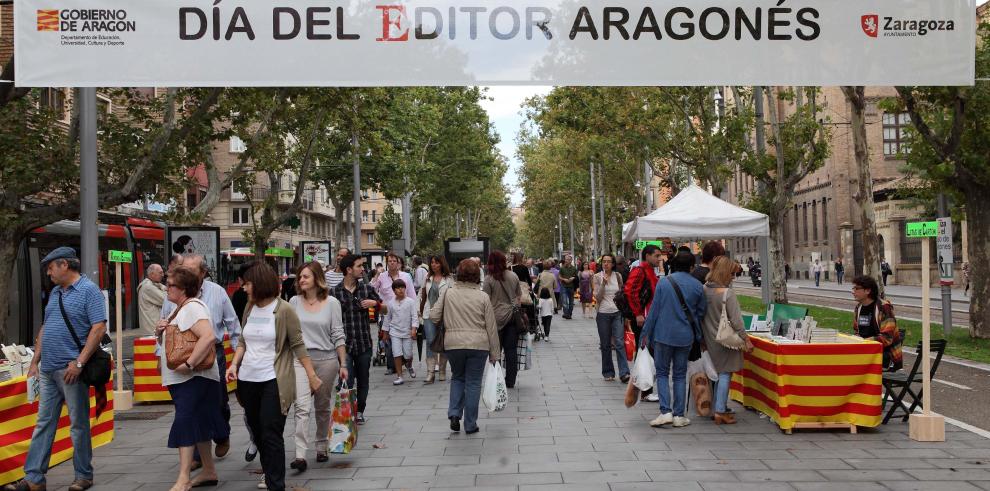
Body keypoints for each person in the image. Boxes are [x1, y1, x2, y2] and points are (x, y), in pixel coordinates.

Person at [4, 248, 106, 491]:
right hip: (49, 370)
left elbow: (99, 328)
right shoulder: (56, 293)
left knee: (78, 425)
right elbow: (46, 327)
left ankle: (83, 475)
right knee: (44, 423)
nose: (48, 272)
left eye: (50, 267)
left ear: (64, 265)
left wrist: (79, 363)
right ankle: (34, 479)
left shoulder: (88, 291)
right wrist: (34, 362)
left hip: (71, 369)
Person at [226, 261, 322, 491]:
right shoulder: (249, 307)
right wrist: (234, 364)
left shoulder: (284, 310)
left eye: (247, 283)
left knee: (271, 433)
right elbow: (242, 340)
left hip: (274, 380)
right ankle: (270, 474)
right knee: (257, 433)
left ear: (258, 284)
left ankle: (275, 484)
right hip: (248, 380)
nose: (243, 288)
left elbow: (298, 344)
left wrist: (311, 375)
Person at [161, 254, 240, 468]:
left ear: (203, 273)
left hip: (211, 354)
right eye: (182, 268)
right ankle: (197, 457)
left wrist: (238, 358)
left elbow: (231, 328)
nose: (184, 273)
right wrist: (161, 348)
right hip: (182, 353)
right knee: (190, 407)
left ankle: (222, 434)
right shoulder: (172, 294)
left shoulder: (216, 293)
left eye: (191, 270)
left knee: (218, 401)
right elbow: (167, 324)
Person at [156, 266, 224, 491]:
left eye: (171, 284)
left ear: (184, 288)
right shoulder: (180, 309)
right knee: (200, 421)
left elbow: (208, 336)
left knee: (184, 421)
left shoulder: (192, 308)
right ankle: (208, 470)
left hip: (193, 378)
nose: (167, 287)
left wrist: (189, 363)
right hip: (187, 379)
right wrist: (160, 332)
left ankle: (184, 478)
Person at [289, 262, 349, 469]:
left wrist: (343, 364)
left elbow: (338, 334)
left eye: (305, 276)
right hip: (300, 360)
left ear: (316, 278)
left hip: (326, 360)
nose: (301, 280)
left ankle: (321, 444)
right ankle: (300, 455)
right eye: (300, 277)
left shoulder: (332, 302)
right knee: (301, 407)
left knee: (322, 406)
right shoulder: (293, 302)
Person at [431, 259, 500, 434]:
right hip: (478, 345)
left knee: (458, 377)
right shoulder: (483, 296)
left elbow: (433, 316)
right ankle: (470, 424)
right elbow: (491, 327)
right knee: (474, 383)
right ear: (477, 275)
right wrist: (495, 353)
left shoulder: (448, 292)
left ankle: (454, 413)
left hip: (453, 344)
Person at [641, 250, 707, 429]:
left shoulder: (664, 283)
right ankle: (679, 415)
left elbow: (654, 311)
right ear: (692, 267)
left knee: (662, 373)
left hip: (663, 335)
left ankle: (665, 412)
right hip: (685, 336)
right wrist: (699, 336)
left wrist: (645, 333)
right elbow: (700, 313)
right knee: (679, 375)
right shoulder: (697, 285)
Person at [330, 254, 384, 425]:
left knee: (363, 379)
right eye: (359, 266)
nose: (363, 269)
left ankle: (360, 411)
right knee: (346, 379)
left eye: (363, 266)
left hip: (363, 342)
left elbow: (386, 310)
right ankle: (347, 412)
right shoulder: (334, 292)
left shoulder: (367, 289)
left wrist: (375, 304)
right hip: (343, 345)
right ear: (348, 270)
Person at [701, 257, 754, 425]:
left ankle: (715, 406)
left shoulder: (703, 290)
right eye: (732, 273)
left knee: (714, 374)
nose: (734, 277)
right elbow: (737, 321)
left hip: (707, 338)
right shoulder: (727, 293)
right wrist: (746, 339)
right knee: (725, 373)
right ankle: (720, 411)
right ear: (724, 273)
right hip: (724, 339)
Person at [626, 245, 662, 401]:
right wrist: (638, 314)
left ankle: (644, 388)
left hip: (648, 318)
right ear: (647, 256)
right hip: (643, 318)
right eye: (656, 255)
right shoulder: (640, 270)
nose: (659, 258)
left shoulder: (649, 271)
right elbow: (629, 291)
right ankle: (645, 390)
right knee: (644, 352)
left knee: (646, 353)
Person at [482, 250, 522, 388]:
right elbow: (518, 297)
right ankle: (510, 380)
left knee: (494, 351)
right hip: (511, 318)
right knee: (511, 350)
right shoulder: (513, 276)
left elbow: (485, 300)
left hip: (494, 319)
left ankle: (496, 378)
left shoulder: (489, 279)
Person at [851, 275, 903, 371]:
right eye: (853, 288)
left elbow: (887, 338)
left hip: (886, 357)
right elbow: (857, 331)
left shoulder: (884, 308)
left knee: (850, 366)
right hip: (865, 353)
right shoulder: (858, 308)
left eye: (856, 288)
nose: (853, 291)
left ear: (867, 291)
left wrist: (864, 342)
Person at [593, 254, 628, 383]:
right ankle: (608, 372)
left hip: (617, 312)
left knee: (619, 343)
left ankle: (624, 372)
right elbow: (597, 297)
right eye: (604, 262)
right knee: (605, 344)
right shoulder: (597, 277)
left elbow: (621, 294)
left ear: (613, 264)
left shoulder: (618, 276)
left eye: (608, 262)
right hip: (603, 314)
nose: (606, 264)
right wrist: (603, 283)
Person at [420, 255, 454, 384]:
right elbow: (423, 296)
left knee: (444, 342)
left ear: (442, 264)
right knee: (430, 341)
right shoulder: (427, 278)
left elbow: (452, 297)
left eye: (436, 263)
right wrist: (420, 311)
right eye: (432, 263)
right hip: (429, 313)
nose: (434, 265)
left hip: (445, 314)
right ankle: (430, 372)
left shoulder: (449, 279)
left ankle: (442, 370)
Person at [382, 279, 418, 385]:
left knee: (408, 354)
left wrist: (414, 329)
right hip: (394, 332)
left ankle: (409, 365)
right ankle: (399, 376)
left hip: (407, 332)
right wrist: (385, 333)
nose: (400, 290)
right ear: (394, 290)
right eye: (397, 288)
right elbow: (387, 318)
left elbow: (414, 317)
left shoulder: (410, 302)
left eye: (402, 287)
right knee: (397, 353)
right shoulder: (390, 303)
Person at [137, 263, 167, 335]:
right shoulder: (148, 287)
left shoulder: (153, 284)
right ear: (152, 274)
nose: (163, 275)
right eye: (160, 273)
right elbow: (166, 299)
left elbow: (166, 289)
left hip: (153, 329)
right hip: (152, 330)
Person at [533, 260, 559, 341]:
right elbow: (555, 286)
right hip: (550, 296)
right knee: (548, 314)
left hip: (540, 296)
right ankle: (547, 331)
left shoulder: (540, 275)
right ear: (550, 267)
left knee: (542, 312)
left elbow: (537, 283)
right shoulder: (552, 275)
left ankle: (543, 324)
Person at [558, 255, 577, 319]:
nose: (567, 261)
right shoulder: (562, 268)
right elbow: (559, 276)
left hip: (571, 286)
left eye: (569, 259)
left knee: (571, 302)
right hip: (564, 286)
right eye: (566, 259)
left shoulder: (574, 268)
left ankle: (569, 314)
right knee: (564, 301)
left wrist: (573, 278)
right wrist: (563, 279)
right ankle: (566, 313)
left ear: (571, 260)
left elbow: (576, 276)